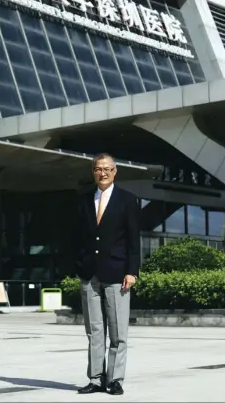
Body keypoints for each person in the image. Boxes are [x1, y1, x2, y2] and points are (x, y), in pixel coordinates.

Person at [75, 153, 140, 396]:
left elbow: (134, 239)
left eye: (107, 169)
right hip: (89, 274)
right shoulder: (83, 200)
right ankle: (95, 378)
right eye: (97, 169)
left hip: (117, 273)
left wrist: (132, 271)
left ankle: (114, 380)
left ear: (115, 171)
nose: (102, 173)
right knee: (94, 331)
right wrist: (77, 264)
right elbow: (77, 236)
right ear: (93, 172)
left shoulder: (127, 200)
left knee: (117, 332)